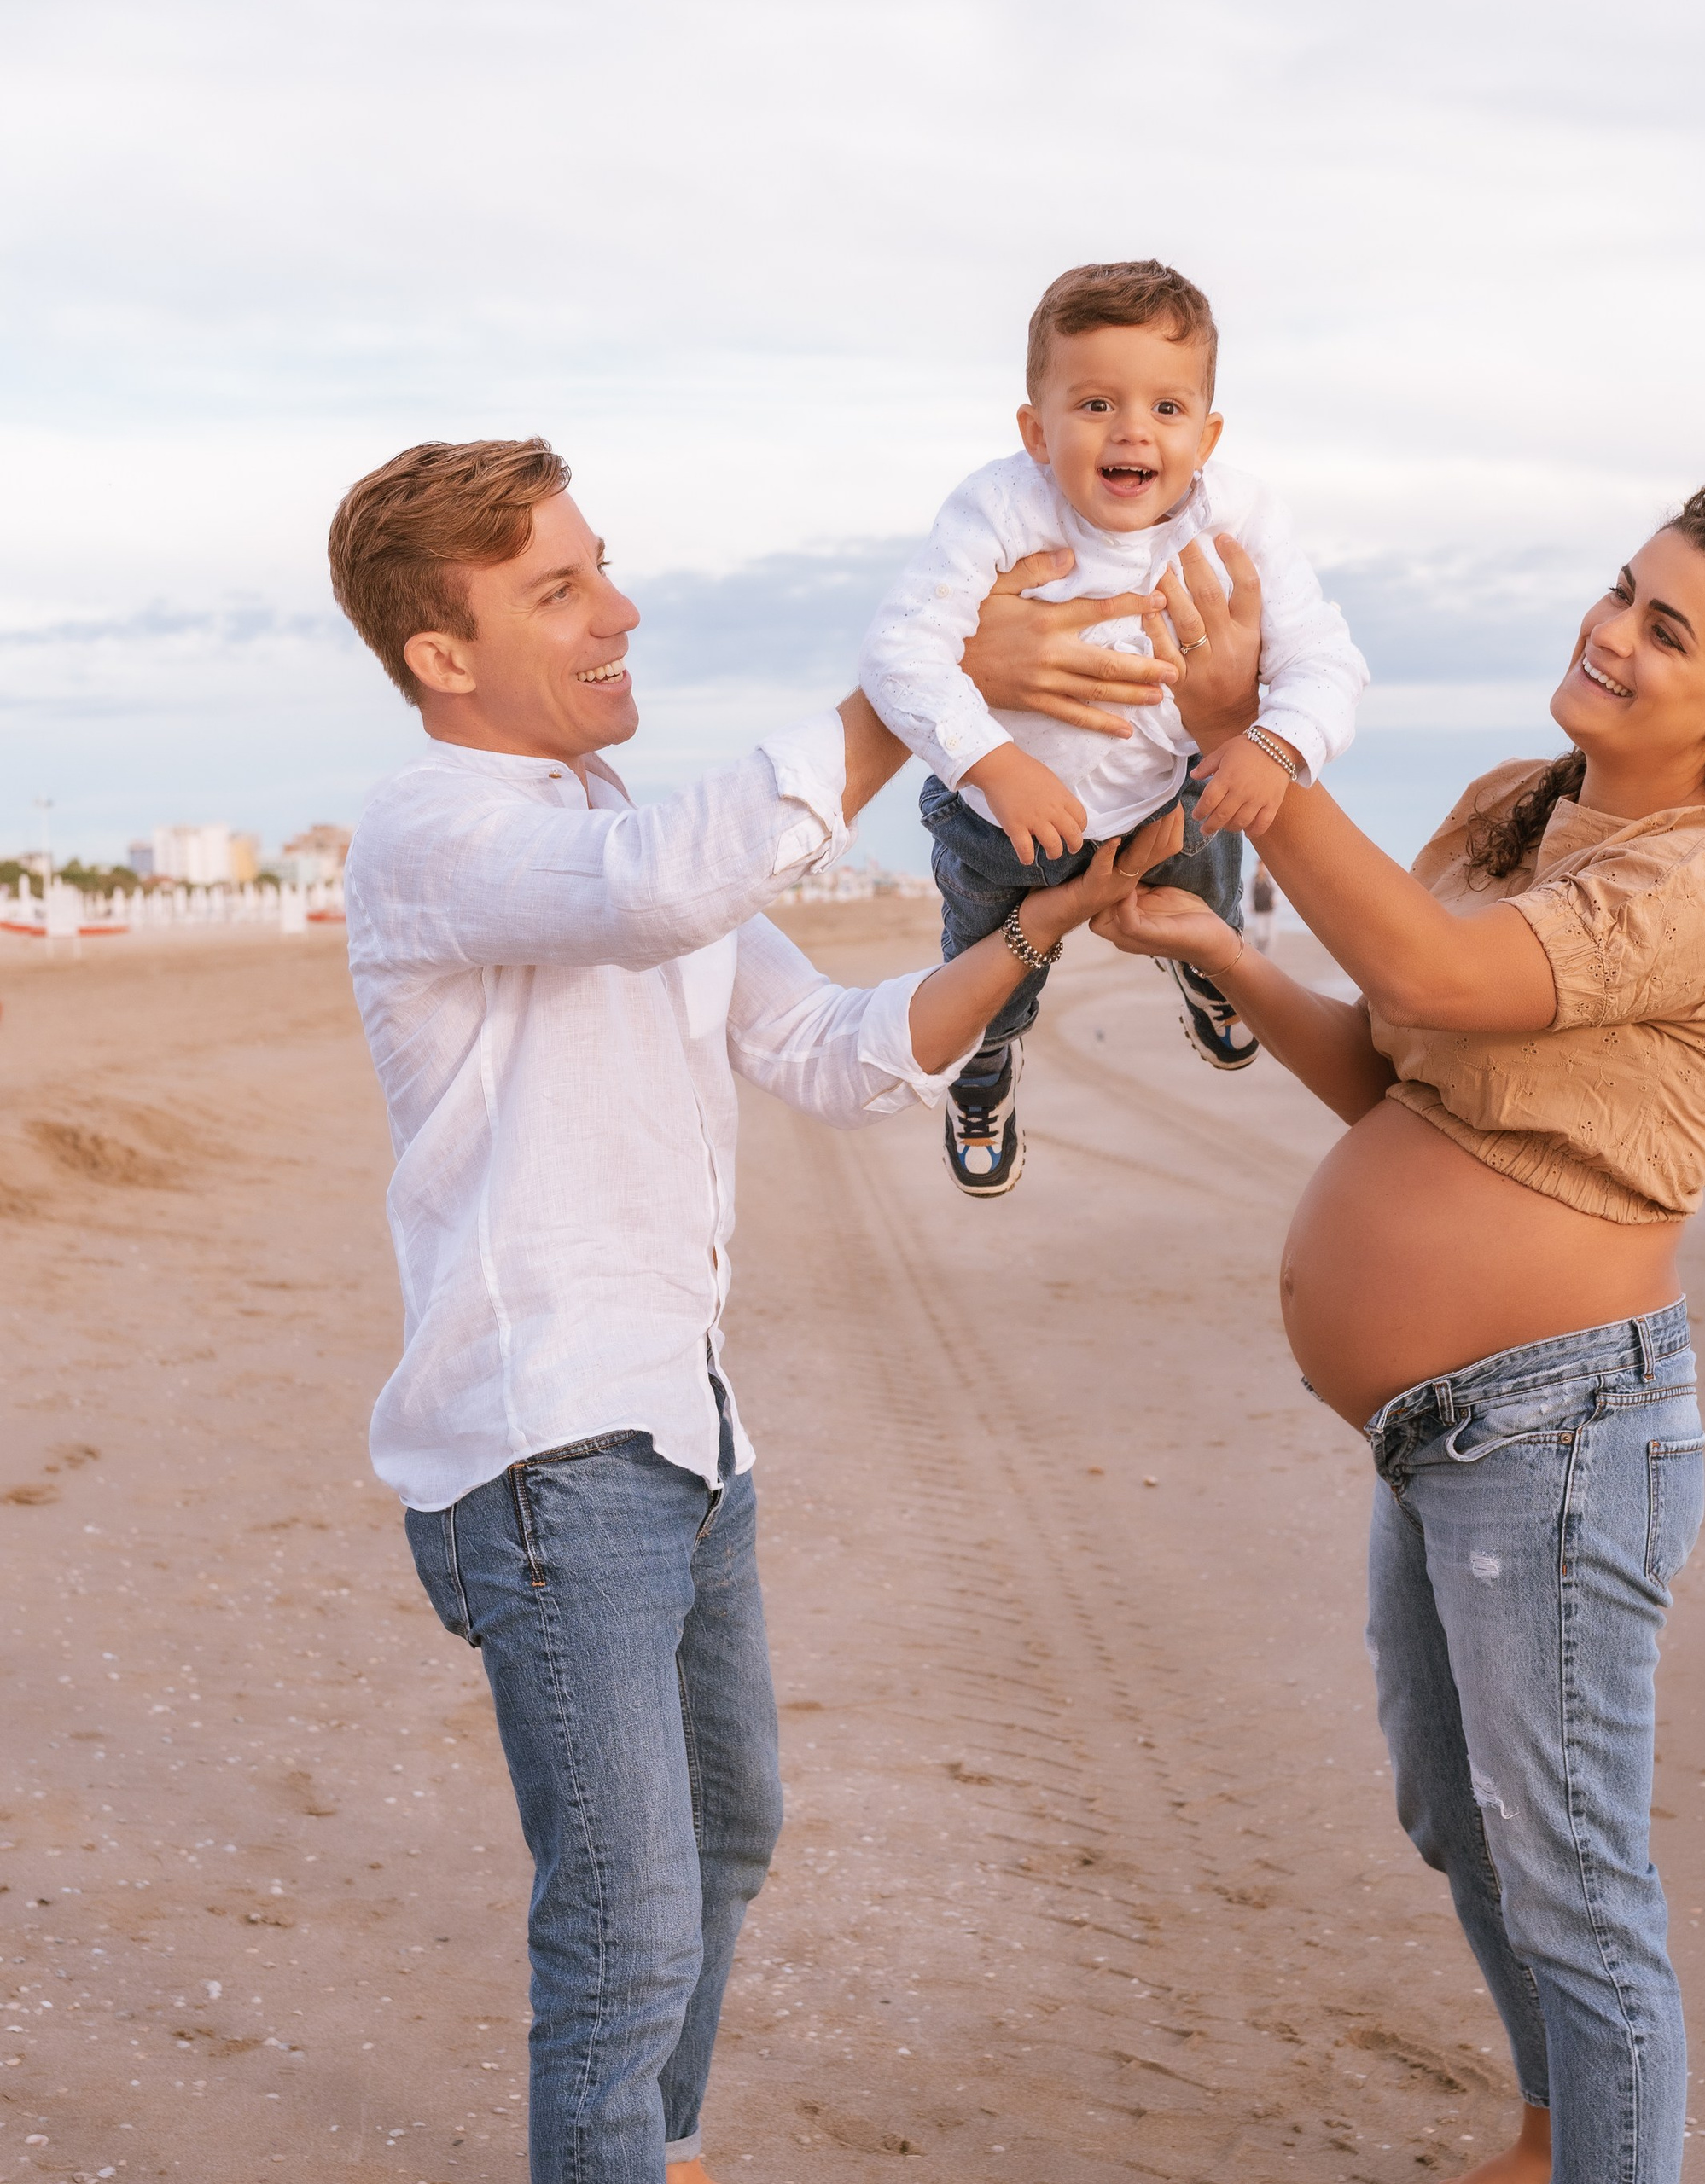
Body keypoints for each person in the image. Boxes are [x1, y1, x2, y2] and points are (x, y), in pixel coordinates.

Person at [326, 437, 1173, 2184]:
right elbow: (661, 894)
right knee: (622, 1925)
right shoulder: (436, 829)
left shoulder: (624, 838)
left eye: (599, 564)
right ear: (441, 656)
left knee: (726, 1829)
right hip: (547, 1448)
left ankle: (668, 2150)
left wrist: (1038, 931)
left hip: (683, 1436)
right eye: (557, 588)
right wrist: (913, 692)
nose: (618, 608)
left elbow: (835, 1055)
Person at [1054, 476, 1705, 2184]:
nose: (1610, 630)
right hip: (1441, 1434)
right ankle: (1553, 2131)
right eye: (1619, 589)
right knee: (1459, 1817)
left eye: (1666, 628)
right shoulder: (1507, 810)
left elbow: (1440, 975)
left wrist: (1263, 760)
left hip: (1564, 1432)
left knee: (1574, 1875)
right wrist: (1222, 946)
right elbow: (1392, 1068)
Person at [859, 258, 1367, 1194]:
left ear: (1206, 433)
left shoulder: (1241, 517)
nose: (1133, 428)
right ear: (1034, 430)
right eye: (1095, 404)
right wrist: (996, 762)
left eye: (1167, 409)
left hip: (1163, 792)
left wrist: (1274, 742)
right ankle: (985, 1061)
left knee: (1206, 886)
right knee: (987, 970)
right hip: (998, 818)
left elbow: (1329, 663)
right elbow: (898, 651)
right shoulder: (1000, 508)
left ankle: (1212, 968)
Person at [1248, 857, 1281, 954]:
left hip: (1269, 911)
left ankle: (1267, 955)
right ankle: (1259, 953)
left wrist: (1275, 900)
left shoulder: (1270, 879)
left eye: (1263, 866)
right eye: (1260, 866)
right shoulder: (1253, 880)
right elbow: (1249, 894)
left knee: (1270, 935)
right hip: (1259, 911)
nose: (1261, 868)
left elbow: (1278, 892)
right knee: (1259, 934)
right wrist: (1250, 905)